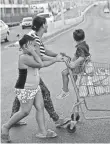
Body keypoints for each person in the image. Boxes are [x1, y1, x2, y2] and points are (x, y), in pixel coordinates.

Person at [1, 34, 64, 142]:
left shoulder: (30, 55)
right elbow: (40, 64)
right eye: (32, 46)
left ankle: (43, 132)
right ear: (25, 47)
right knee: (25, 111)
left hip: (35, 87)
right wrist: (54, 60)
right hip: (25, 88)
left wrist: (56, 59)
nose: (35, 48)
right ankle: (5, 127)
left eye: (35, 46)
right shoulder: (24, 57)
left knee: (40, 107)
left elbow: (42, 61)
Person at [10, 16, 69, 127]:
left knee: (20, 95)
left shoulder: (37, 37)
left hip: (29, 73)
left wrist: (56, 55)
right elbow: (40, 58)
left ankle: (13, 118)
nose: (47, 25)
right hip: (30, 73)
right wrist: (56, 59)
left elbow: (44, 51)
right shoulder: (35, 39)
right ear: (42, 25)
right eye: (46, 23)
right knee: (44, 94)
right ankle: (56, 120)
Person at [57, 29, 90, 99]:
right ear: (83, 36)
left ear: (74, 38)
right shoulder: (85, 45)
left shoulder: (79, 47)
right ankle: (77, 93)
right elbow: (80, 56)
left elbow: (81, 57)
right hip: (82, 66)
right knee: (76, 83)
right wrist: (68, 57)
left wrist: (74, 63)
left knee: (64, 73)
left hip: (79, 67)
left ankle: (65, 91)